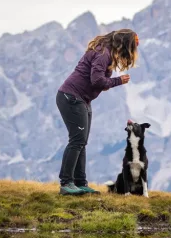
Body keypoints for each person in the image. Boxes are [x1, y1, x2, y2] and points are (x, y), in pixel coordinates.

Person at [55, 29, 139, 195]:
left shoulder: (104, 51)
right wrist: (118, 80)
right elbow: (97, 80)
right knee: (77, 140)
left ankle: (80, 183)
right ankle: (66, 183)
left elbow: (97, 81)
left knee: (82, 141)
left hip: (81, 99)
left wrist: (106, 83)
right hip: (71, 97)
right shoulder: (103, 53)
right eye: (132, 46)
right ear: (123, 45)